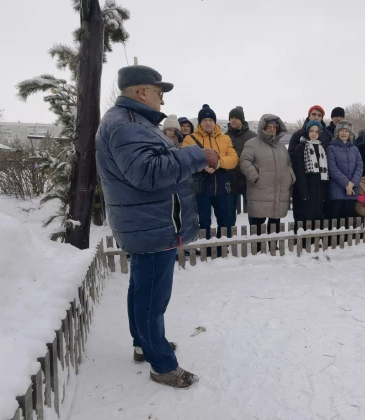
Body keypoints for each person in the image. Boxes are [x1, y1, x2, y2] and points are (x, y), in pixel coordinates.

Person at [96, 65, 220, 388]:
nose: (161, 101)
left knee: (141, 289)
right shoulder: (126, 125)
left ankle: (143, 344)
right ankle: (162, 365)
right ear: (141, 92)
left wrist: (180, 154)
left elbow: (148, 165)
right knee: (152, 298)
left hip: (146, 224)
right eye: (158, 93)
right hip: (151, 226)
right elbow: (148, 174)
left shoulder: (129, 123)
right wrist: (194, 155)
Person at [182, 104, 239, 240]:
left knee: (225, 218)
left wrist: (219, 163)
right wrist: (202, 166)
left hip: (221, 184)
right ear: (200, 122)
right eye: (204, 120)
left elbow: (234, 158)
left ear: (215, 122)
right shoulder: (190, 139)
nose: (208, 123)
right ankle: (205, 249)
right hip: (202, 186)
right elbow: (186, 160)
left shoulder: (225, 139)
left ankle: (223, 248)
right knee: (203, 220)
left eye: (210, 120)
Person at [240, 114, 295, 235]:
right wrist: (255, 176)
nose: (271, 129)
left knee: (274, 224)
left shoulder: (281, 147)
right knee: (258, 224)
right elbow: (244, 160)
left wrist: (290, 177)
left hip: (278, 192)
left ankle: (272, 248)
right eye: (268, 127)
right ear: (262, 128)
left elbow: (288, 163)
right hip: (260, 190)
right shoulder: (252, 143)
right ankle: (258, 250)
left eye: (274, 127)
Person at [292, 120, 329, 227]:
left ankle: (315, 241)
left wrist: (323, 191)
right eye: (311, 131)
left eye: (316, 132)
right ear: (307, 132)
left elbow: (325, 171)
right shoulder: (301, 147)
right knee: (304, 216)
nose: (314, 134)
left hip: (318, 189)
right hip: (306, 188)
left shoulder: (321, 148)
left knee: (316, 216)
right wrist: (303, 192)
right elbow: (299, 170)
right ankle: (303, 242)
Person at [326, 120, 363, 220]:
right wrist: (347, 184)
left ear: (350, 134)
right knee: (335, 220)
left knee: (348, 221)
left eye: (346, 131)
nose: (344, 133)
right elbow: (332, 168)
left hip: (351, 191)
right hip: (336, 190)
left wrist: (353, 183)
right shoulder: (331, 148)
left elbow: (359, 167)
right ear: (337, 133)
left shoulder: (355, 149)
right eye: (341, 130)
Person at [225, 106, 256, 210]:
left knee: (254, 211)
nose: (233, 120)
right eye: (231, 118)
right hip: (230, 179)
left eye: (236, 118)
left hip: (248, 179)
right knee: (229, 213)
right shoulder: (224, 137)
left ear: (241, 120)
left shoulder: (253, 136)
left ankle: (255, 227)